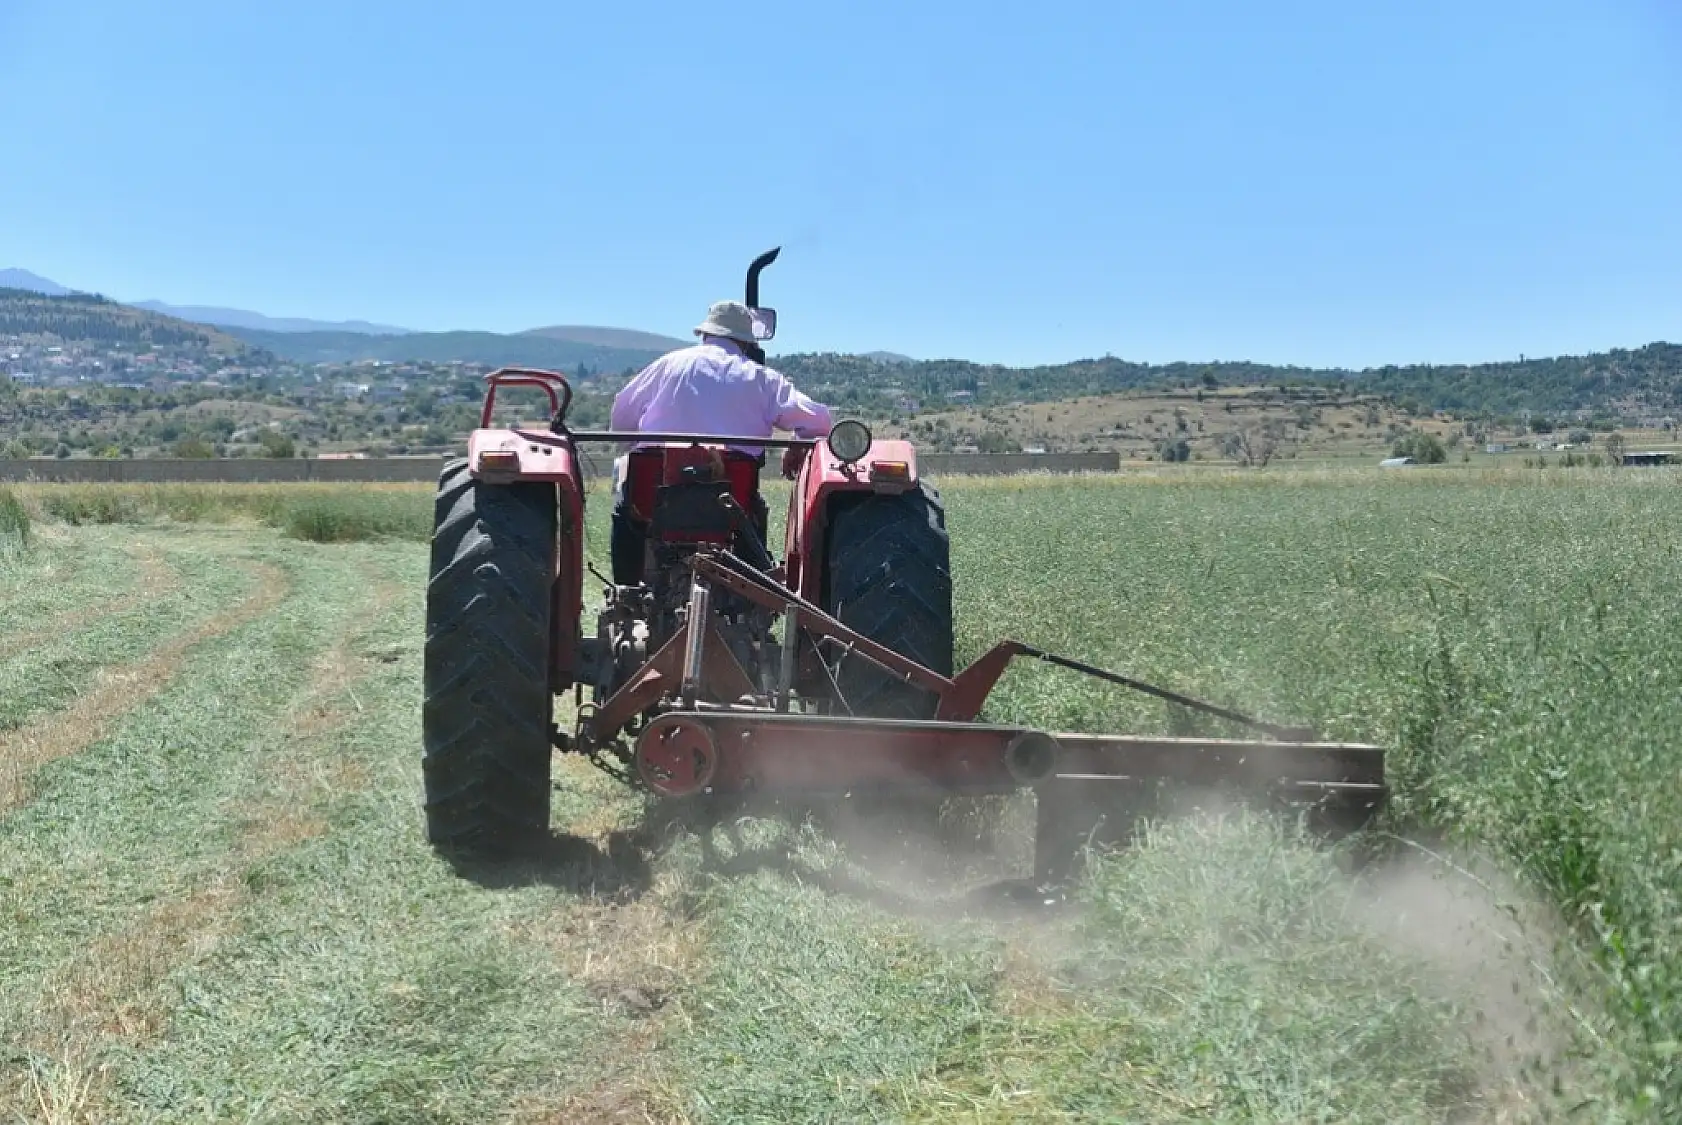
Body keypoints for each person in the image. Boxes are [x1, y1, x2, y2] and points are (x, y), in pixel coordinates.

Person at [608, 299, 834, 583]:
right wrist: (797, 443)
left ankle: (626, 590)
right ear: (746, 343)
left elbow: (621, 418)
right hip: (730, 505)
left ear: (705, 334)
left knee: (625, 504)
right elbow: (820, 421)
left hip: (652, 500)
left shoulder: (667, 366)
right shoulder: (761, 378)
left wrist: (637, 448)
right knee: (751, 506)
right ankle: (752, 592)